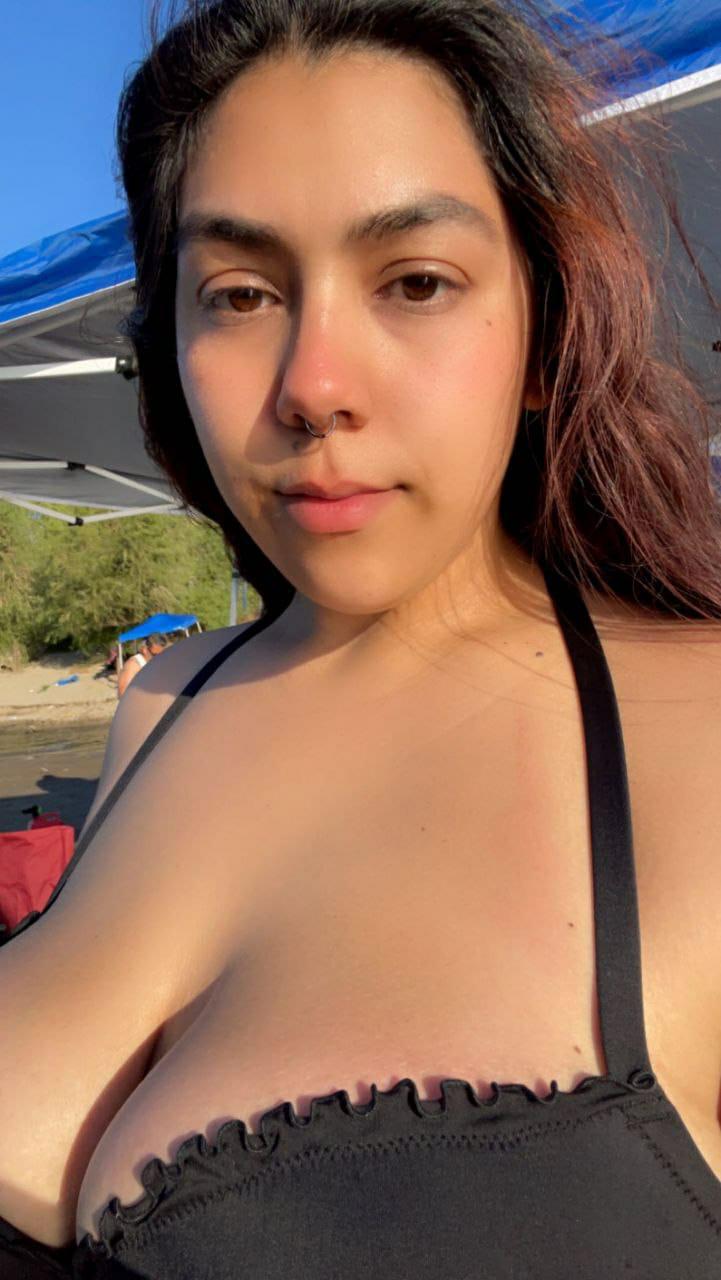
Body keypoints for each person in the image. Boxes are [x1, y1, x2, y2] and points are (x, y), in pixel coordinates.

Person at [1, 1, 720, 1275]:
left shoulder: (700, 731)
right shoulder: (165, 699)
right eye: (239, 293)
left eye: (416, 282)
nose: (313, 384)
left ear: (545, 331)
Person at [116, 634, 168, 699]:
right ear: (144, 649)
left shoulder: (151, 663)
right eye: (154, 655)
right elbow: (122, 694)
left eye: (162, 655)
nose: (158, 658)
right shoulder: (133, 665)